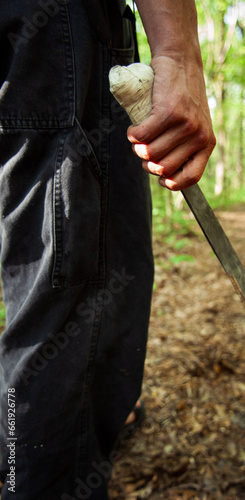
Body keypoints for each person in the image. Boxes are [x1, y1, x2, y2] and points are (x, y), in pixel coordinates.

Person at [0, 0, 215, 498]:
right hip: (58, 35)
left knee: (49, 301)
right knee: (66, 325)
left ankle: (72, 442)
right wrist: (179, 55)